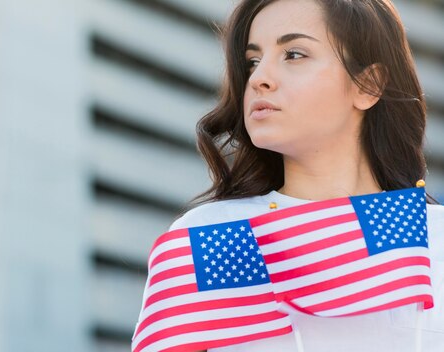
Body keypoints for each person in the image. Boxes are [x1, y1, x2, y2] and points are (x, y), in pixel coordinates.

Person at [133, 0, 444, 351]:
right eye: (252, 61)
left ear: (367, 85)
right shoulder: (210, 235)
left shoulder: (434, 236)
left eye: (294, 54)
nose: (259, 78)